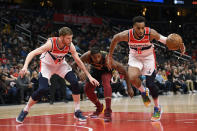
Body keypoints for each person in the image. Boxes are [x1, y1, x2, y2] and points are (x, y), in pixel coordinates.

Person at [106, 16, 185, 121]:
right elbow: (115, 38)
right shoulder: (127, 35)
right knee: (132, 77)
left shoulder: (151, 33)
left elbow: (166, 40)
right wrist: (110, 56)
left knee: (151, 84)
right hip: (135, 57)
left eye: (142, 28)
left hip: (148, 58)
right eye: (138, 28)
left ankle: (157, 108)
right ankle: (143, 92)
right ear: (133, 27)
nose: (141, 30)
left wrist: (179, 44)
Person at [16, 27, 99, 123]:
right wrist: (25, 66)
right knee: (43, 89)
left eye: (71, 38)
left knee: (75, 82)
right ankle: (25, 110)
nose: (70, 41)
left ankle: (77, 111)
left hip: (60, 66)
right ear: (61, 37)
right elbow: (32, 53)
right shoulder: (50, 43)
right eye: (68, 38)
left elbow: (78, 60)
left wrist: (89, 76)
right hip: (46, 66)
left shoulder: (69, 45)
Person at [72, 45, 134, 122]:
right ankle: (99, 107)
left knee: (106, 83)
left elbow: (124, 71)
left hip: (106, 71)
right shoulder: (86, 56)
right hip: (94, 71)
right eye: (94, 57)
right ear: (91, 56)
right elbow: (73, 64)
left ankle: (108, 111)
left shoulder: (109, 60)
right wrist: (80, 73)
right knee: (87, 89)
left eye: (98, 57)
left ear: (101, 55)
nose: (97, 59)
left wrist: (129, 87)